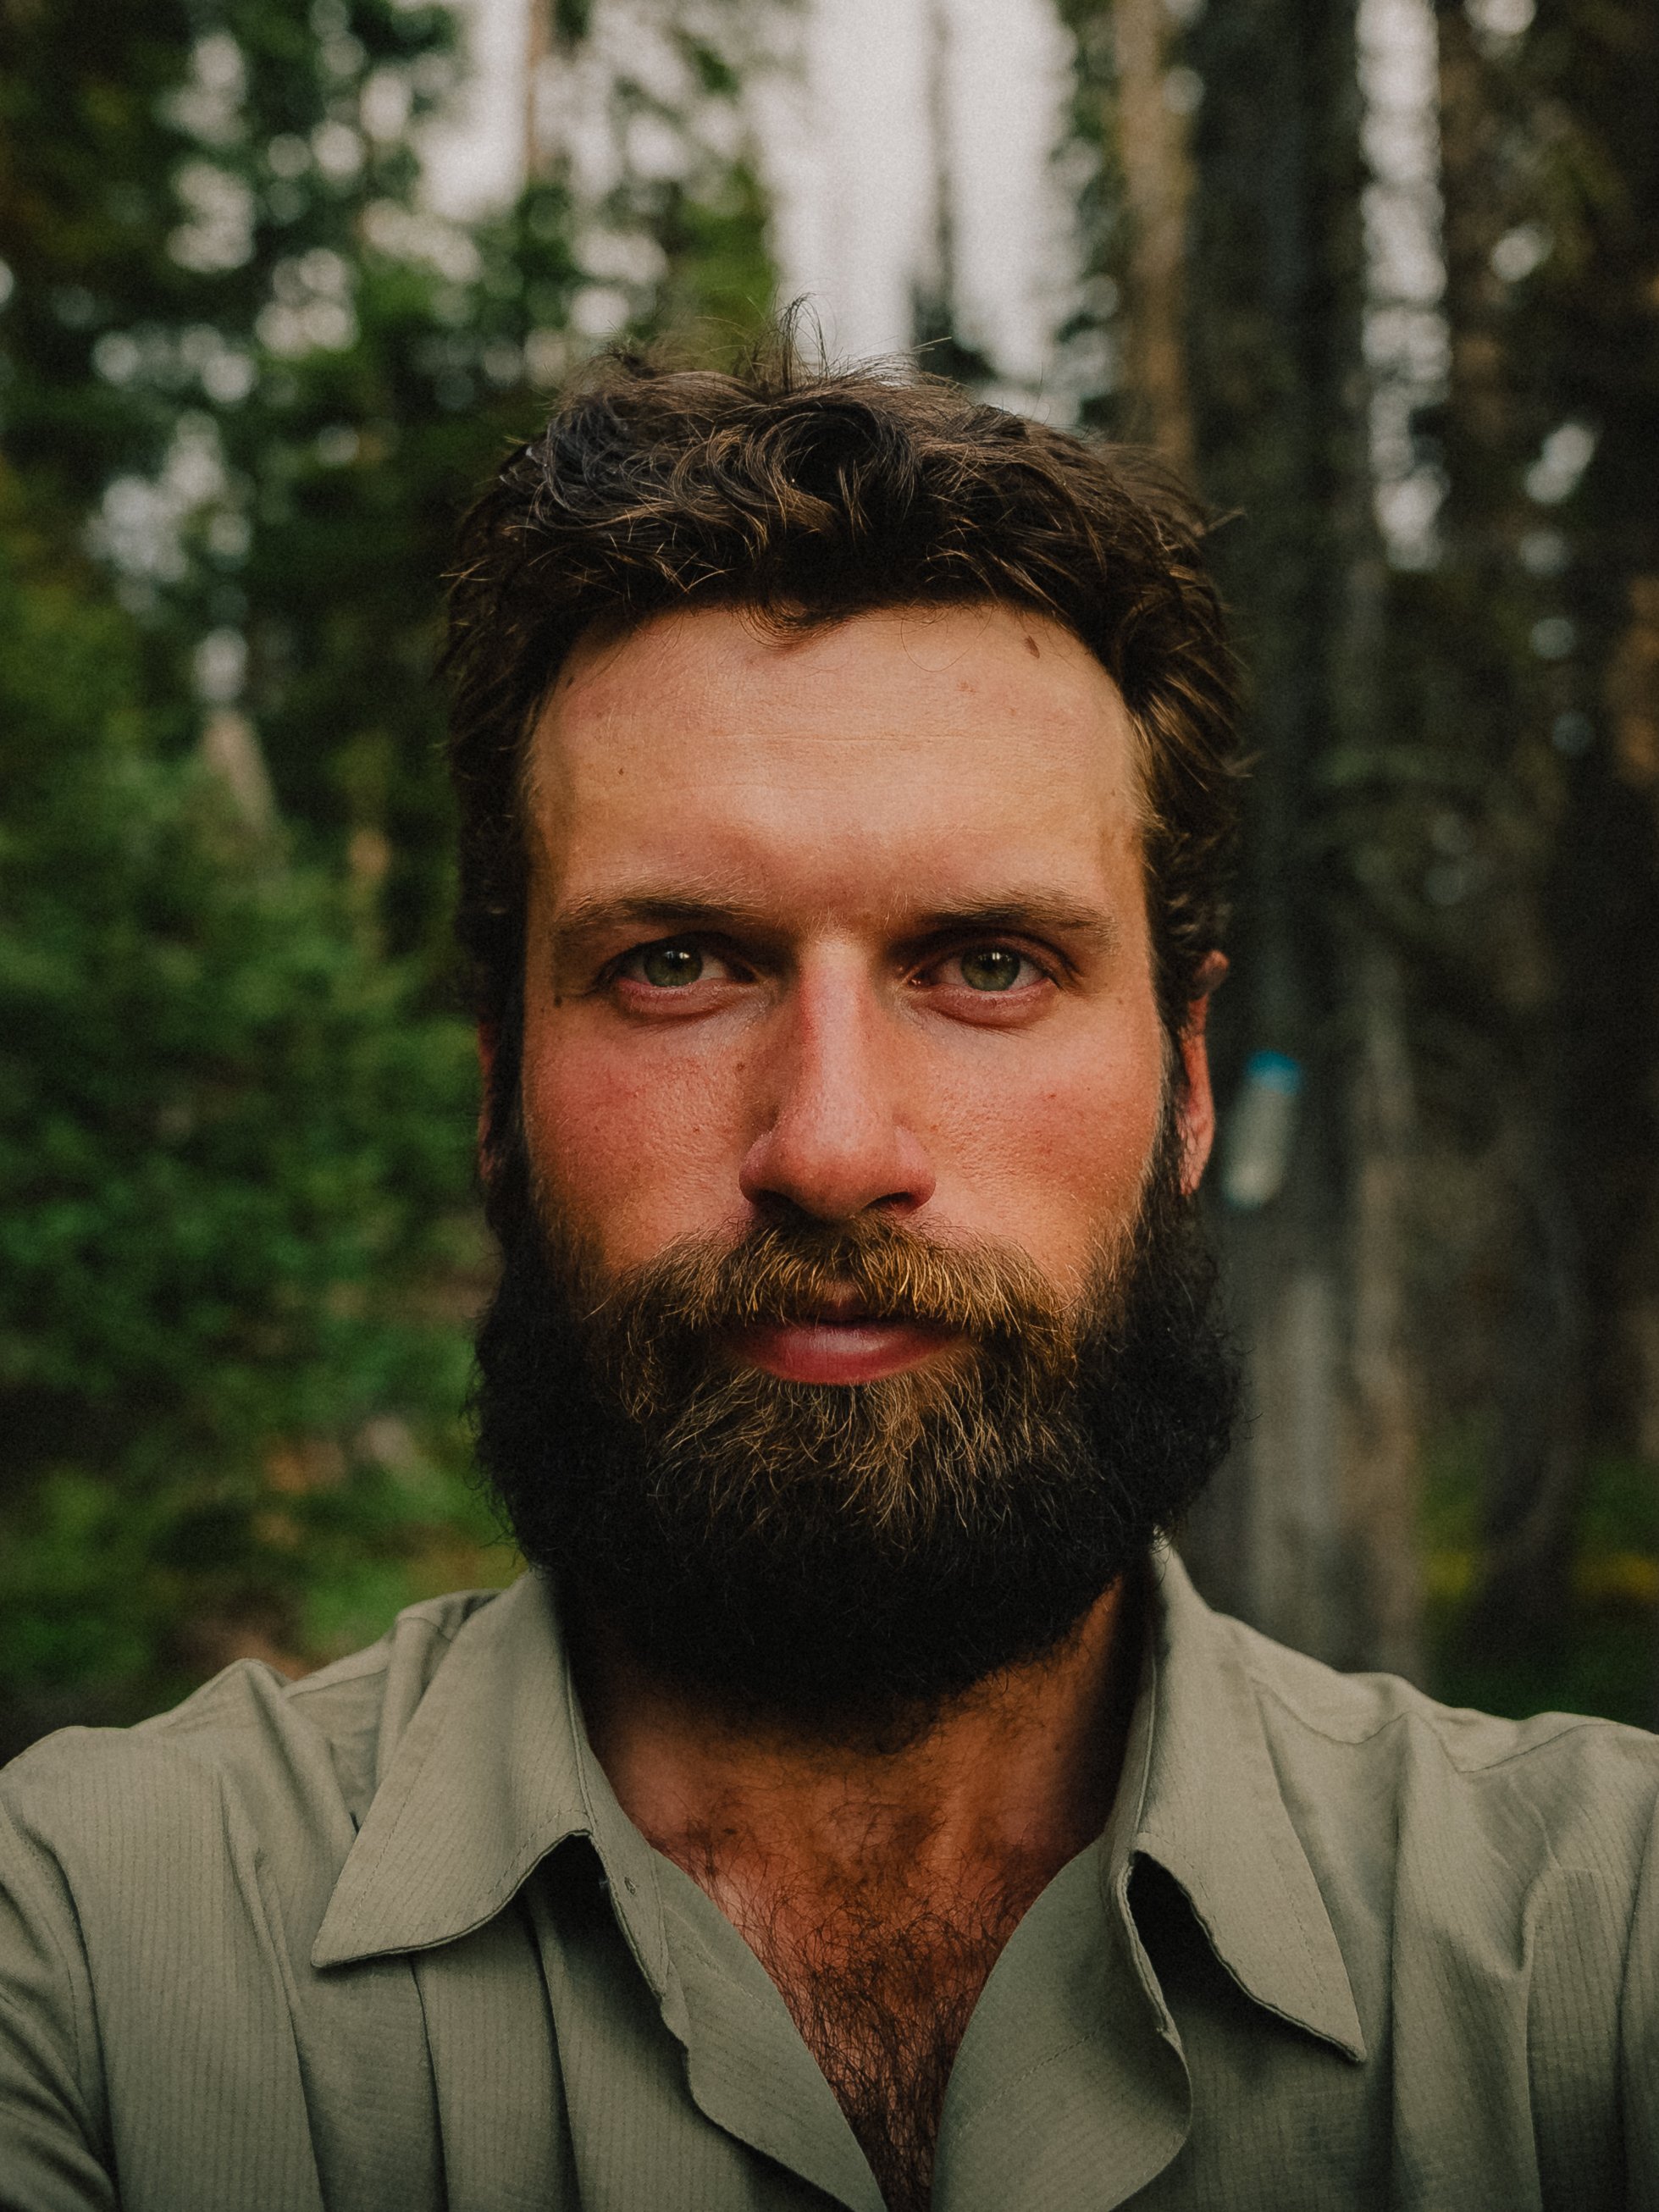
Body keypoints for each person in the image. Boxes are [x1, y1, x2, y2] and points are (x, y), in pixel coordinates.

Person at [1, 344, 1655, 2212]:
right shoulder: (86, 1957)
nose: (831, 1145)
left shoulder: (1590, 1954)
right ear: (496, 1097)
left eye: (987, 965)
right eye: (680, 963)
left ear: (1183, 1086)